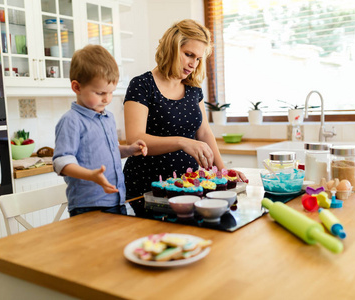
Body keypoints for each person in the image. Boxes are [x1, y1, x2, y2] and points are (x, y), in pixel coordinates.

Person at [123, 19, 246, 199]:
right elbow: (135, 140)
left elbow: (204, 133)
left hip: (187, 184)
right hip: (147, 186)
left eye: (198, 59)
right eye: (189, 54)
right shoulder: (142, 85)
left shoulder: (193, 89)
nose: (193, 64)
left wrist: (223, 171)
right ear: (171, 47)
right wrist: (182, 142)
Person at [53, 45, 147, 217]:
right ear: (77, 87)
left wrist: (130, 150)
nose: (107, 98)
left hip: (117, 200)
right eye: (100, 92)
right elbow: (61, 162)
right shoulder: (71, 121)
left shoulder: (108, 118)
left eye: (111, 92)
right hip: (88, 205)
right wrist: (91, 175)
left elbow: (110, 151)